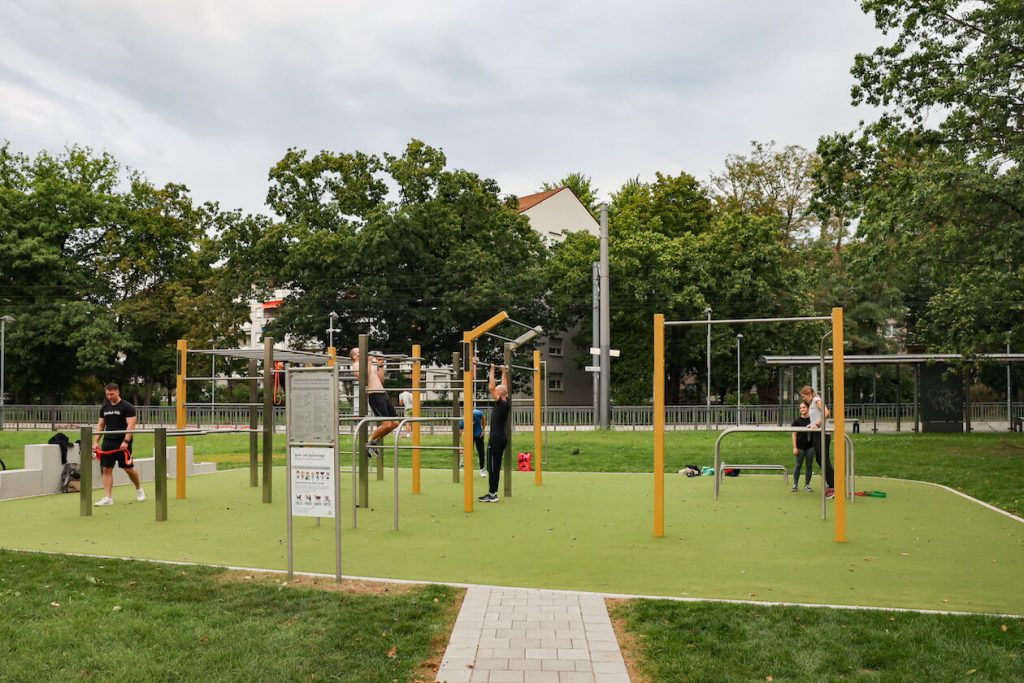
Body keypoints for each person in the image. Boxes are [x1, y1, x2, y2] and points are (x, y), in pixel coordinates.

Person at [92, 383, 145, 506]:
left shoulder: (127, 407)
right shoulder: (104, 408)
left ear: (118, 392)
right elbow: (101, 425)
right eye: (107, 394)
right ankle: (108, 498)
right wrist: (96, 442)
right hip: (108, 441)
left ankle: (139, 489)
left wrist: (126, 441)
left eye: (112, 394)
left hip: (123, 442)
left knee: (128, 469)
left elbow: (131, 425)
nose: (109, 396)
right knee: (106, 469)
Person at [349, 348, 400, 459]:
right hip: (374, 395)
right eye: (358, 353)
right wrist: (368, 361)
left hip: (383, 393)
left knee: (395, 423)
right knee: (386, 424)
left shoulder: (369, 365)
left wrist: (380, 365)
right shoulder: (356, 365)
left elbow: (381, 380)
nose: (361, 354)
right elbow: (365, 377)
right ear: (354, 356)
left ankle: (374, 442)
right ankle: (370, 441)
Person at [479, 364, 510, 503]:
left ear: (500, 395)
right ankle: (493, 492)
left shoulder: (501, 404)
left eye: (497, 393)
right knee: (495, 466)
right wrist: (503, 372)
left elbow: (492, 388)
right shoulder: (506, 401)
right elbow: (504, 386)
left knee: (492, 467)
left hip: (496, 439)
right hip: (502, 438)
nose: (494, 394)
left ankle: (492, 494)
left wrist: (492, 370)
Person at [799, 385, 834, 499]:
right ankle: (831, 484)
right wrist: (812, 424)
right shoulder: (812, 403)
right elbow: (815, 416)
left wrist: (817, 424)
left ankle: (833, 487)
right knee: (819, 459)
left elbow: (826, 413)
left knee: (824, 459)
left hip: (823, 433)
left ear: (809, 394)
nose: (804, 399)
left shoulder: (816, 400)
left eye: (804, 396)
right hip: (817, 433)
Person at [790, 401, 814, 492]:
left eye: (804, 407)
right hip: (800, 446)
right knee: (798, 465)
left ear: (808, 408)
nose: (802, 409)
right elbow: (794, 435)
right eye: (800, 408)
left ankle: (807, 485)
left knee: (809, 465)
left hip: (810, 446)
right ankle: (795, 485)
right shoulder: (797, 421)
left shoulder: (812, 420)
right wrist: (795, 447)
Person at [459, 408, 487, 478]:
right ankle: (468, 469)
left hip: (479, 435)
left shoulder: (478, 413)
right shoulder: (463, 420)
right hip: (469, 437)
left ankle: (482, 470)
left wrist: (483, 430)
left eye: (473, 422)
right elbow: (459, 434)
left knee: (481, 452)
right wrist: (460, 446)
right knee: (468, 453)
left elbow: (483, 419)